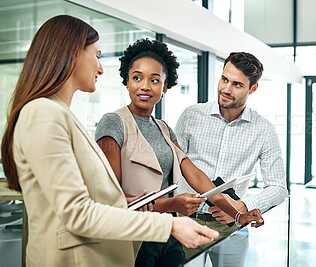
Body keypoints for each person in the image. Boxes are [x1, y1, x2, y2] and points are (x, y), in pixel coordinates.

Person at [0, 15, 220, 267]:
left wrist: (122, 202)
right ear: (72, 54)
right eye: (97, 55)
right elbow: (77, 213)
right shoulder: (43, 113)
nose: (101, 68)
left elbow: (81, 197)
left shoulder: (60, 114)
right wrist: (169, 223)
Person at [94, 39, 264, 267]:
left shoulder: (164, 129)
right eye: (137, 78)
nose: (145, 86)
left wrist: (237, 215)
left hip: (168, 234)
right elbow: (110, 199)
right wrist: (171, 205)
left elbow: (195, 175)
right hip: (134, 236)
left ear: (164, 87)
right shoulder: (113, 123)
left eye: (155, 80)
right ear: (126, 81)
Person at [175, 52, 289, 265]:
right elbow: (173, 167)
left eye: (237, 84)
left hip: (232, 228)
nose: (226, 89)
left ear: (252, 89)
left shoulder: (264, 130)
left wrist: (241, 206)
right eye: (224, 79)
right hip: (186, 222)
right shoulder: (191, 116)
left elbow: (279, 188)